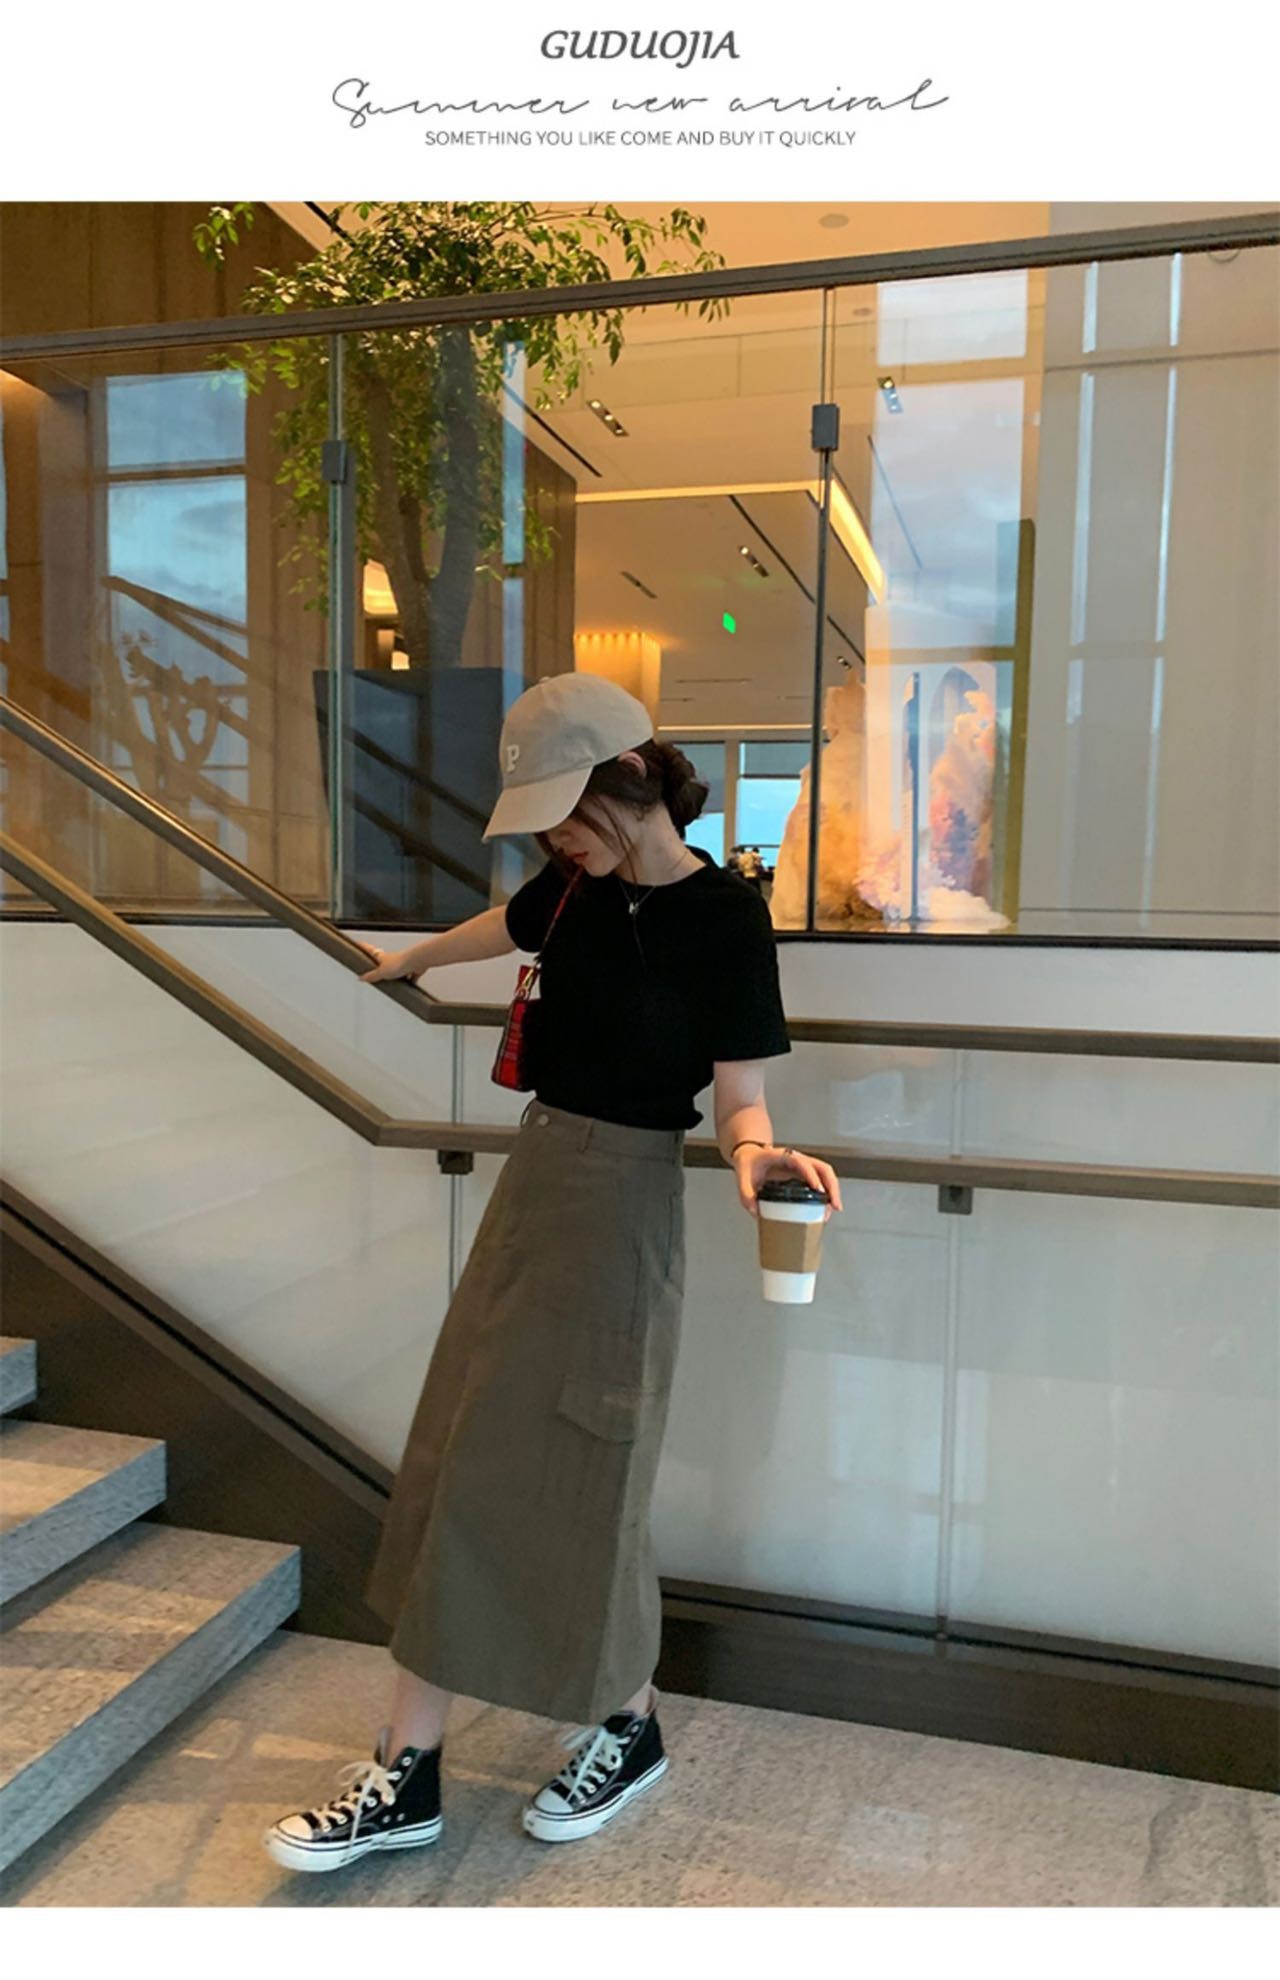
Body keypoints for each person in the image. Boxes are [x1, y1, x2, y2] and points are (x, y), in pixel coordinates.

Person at [263, 673, 842, 1873]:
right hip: (534, 1188)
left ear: (626, 785)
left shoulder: (723, 918)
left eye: (565, 816)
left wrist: (755, 1157)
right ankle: (415, 1765)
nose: (552, 842)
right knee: (460, 1456)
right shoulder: (571, 888)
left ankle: (619, 1726)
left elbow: (738, 1094)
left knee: (589, 1473)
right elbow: (509, 927)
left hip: (624, 1205)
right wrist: (409, 960)